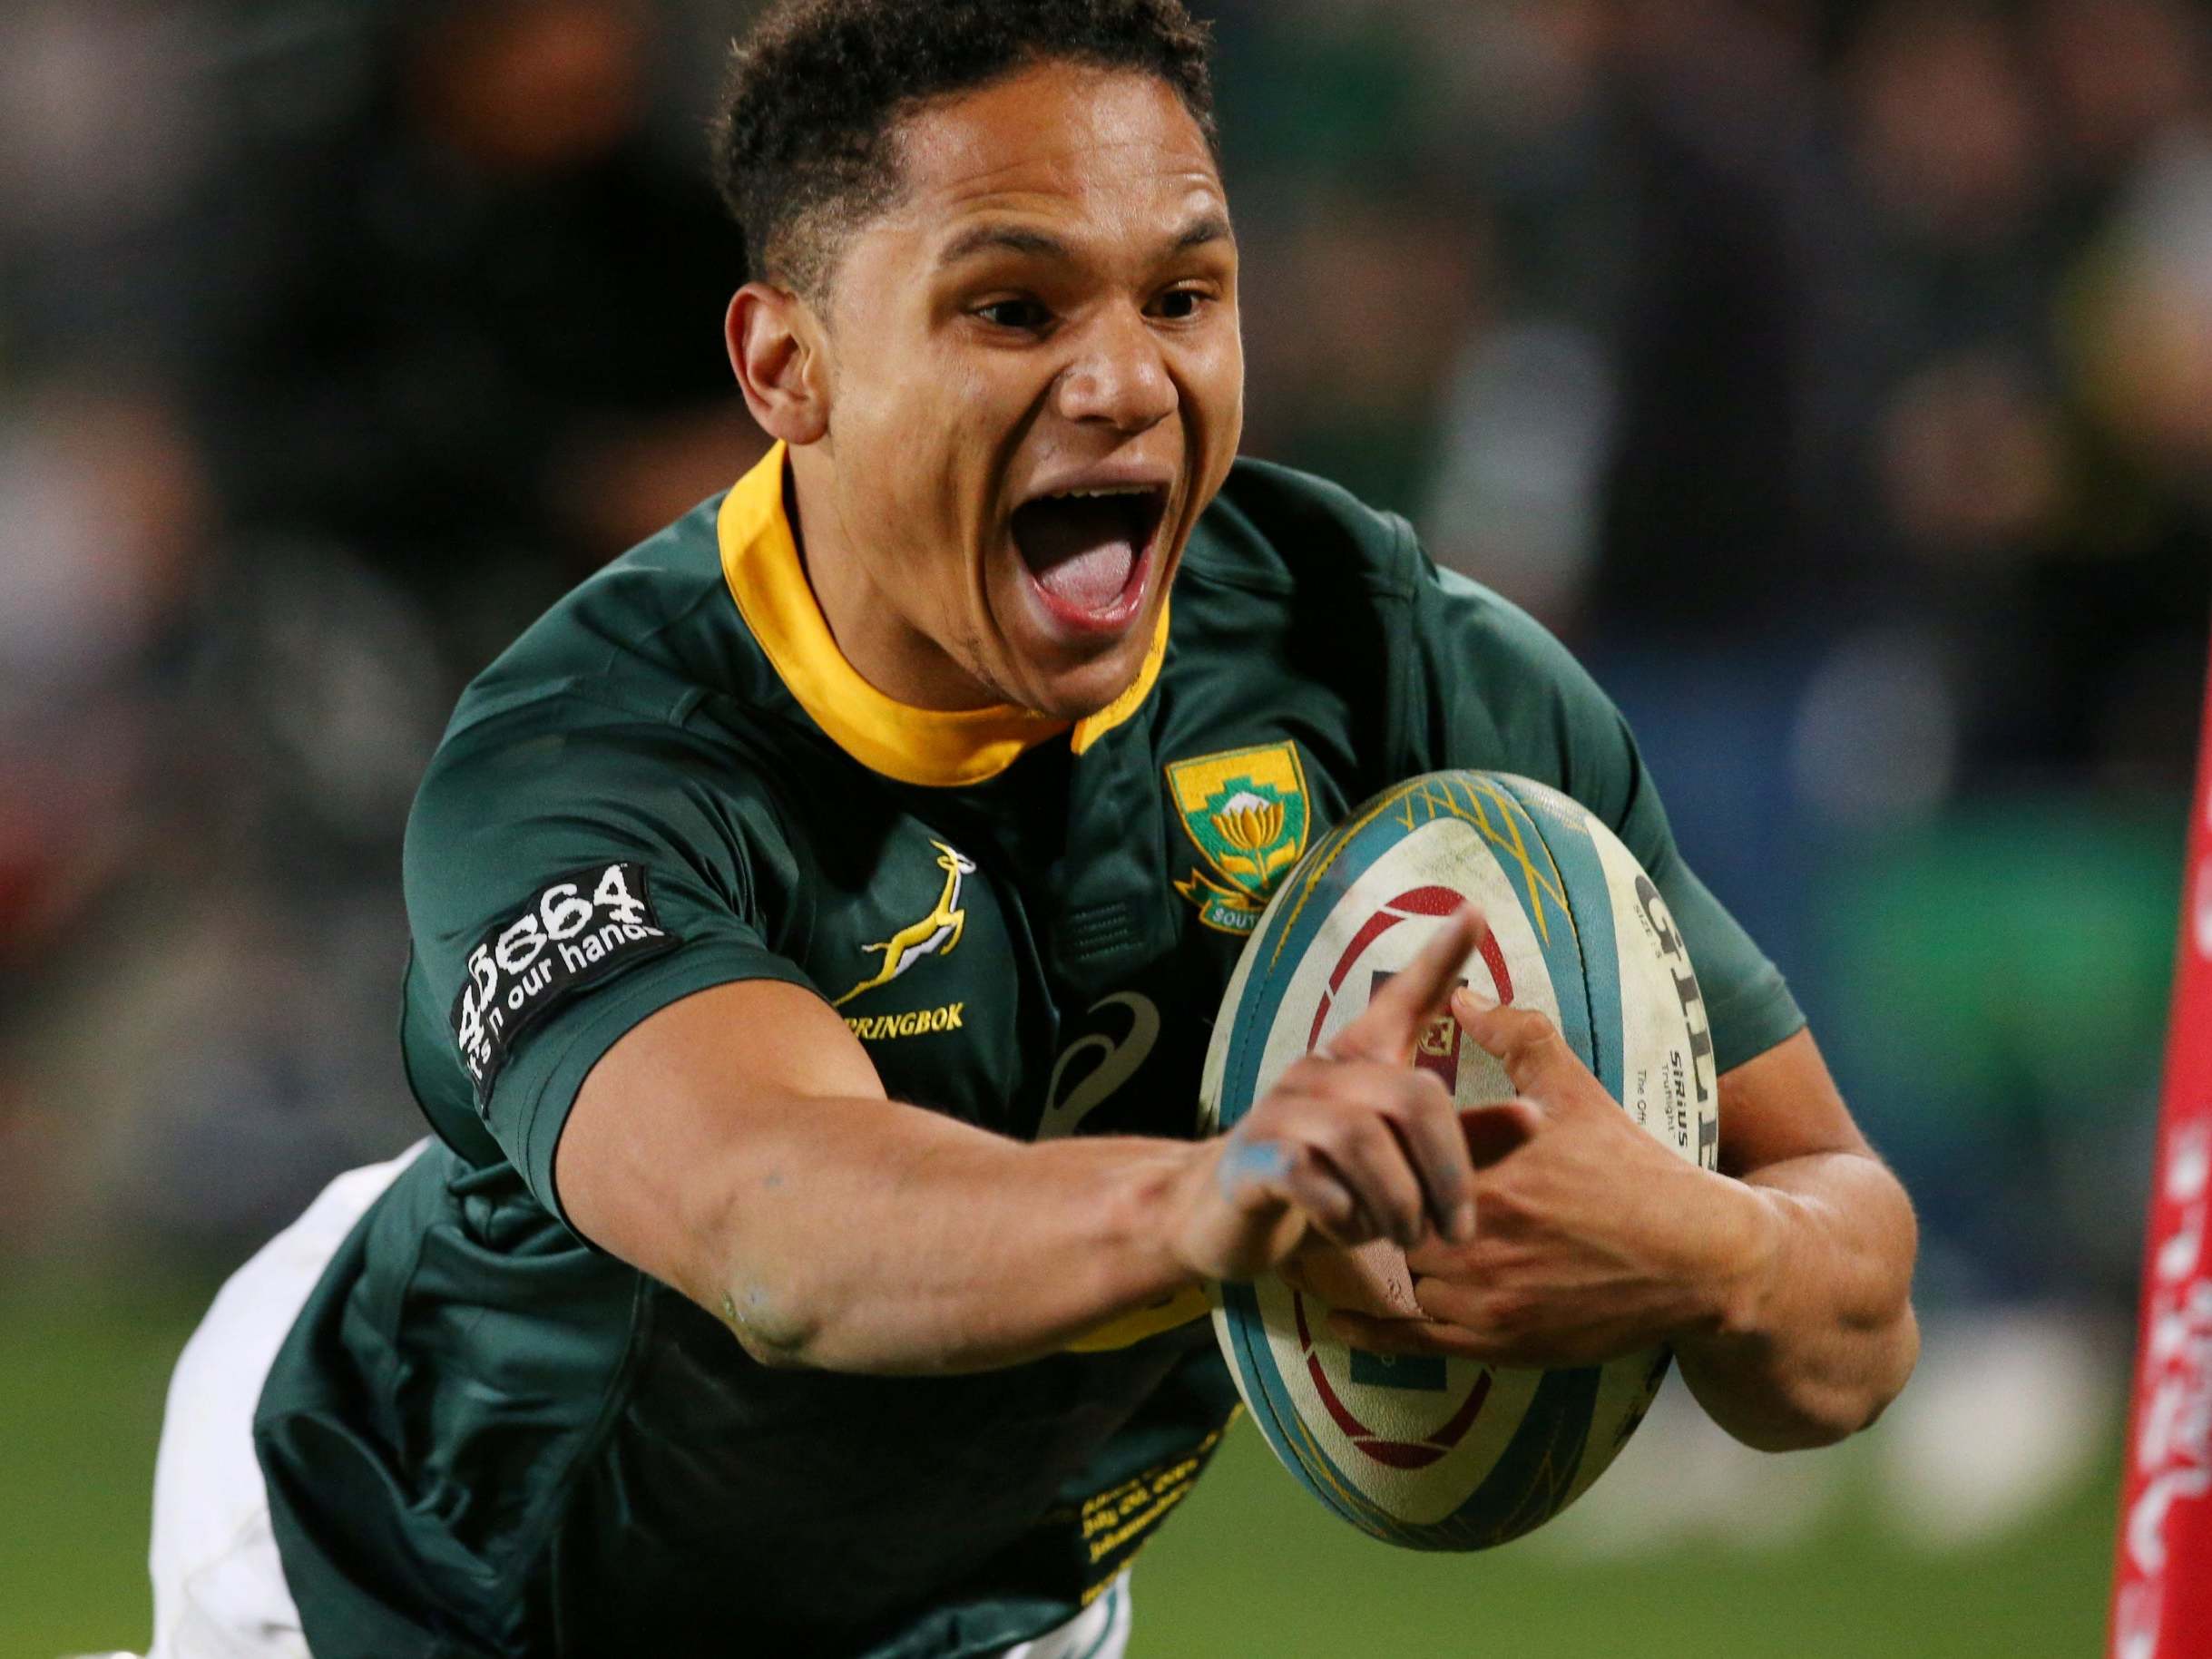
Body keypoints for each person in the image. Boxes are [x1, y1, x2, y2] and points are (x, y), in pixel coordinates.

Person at [132, 3, 1920, 1655]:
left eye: (1186, 297)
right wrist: (1225, 1196)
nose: (1127, 380)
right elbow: (780, 1232)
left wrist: (1705, 1251)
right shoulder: (593, 751)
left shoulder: (1385, 668)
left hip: (987, 1614)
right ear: (786, 368)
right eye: (1014, 309)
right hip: (427, 1564)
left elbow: (1851, 1291)